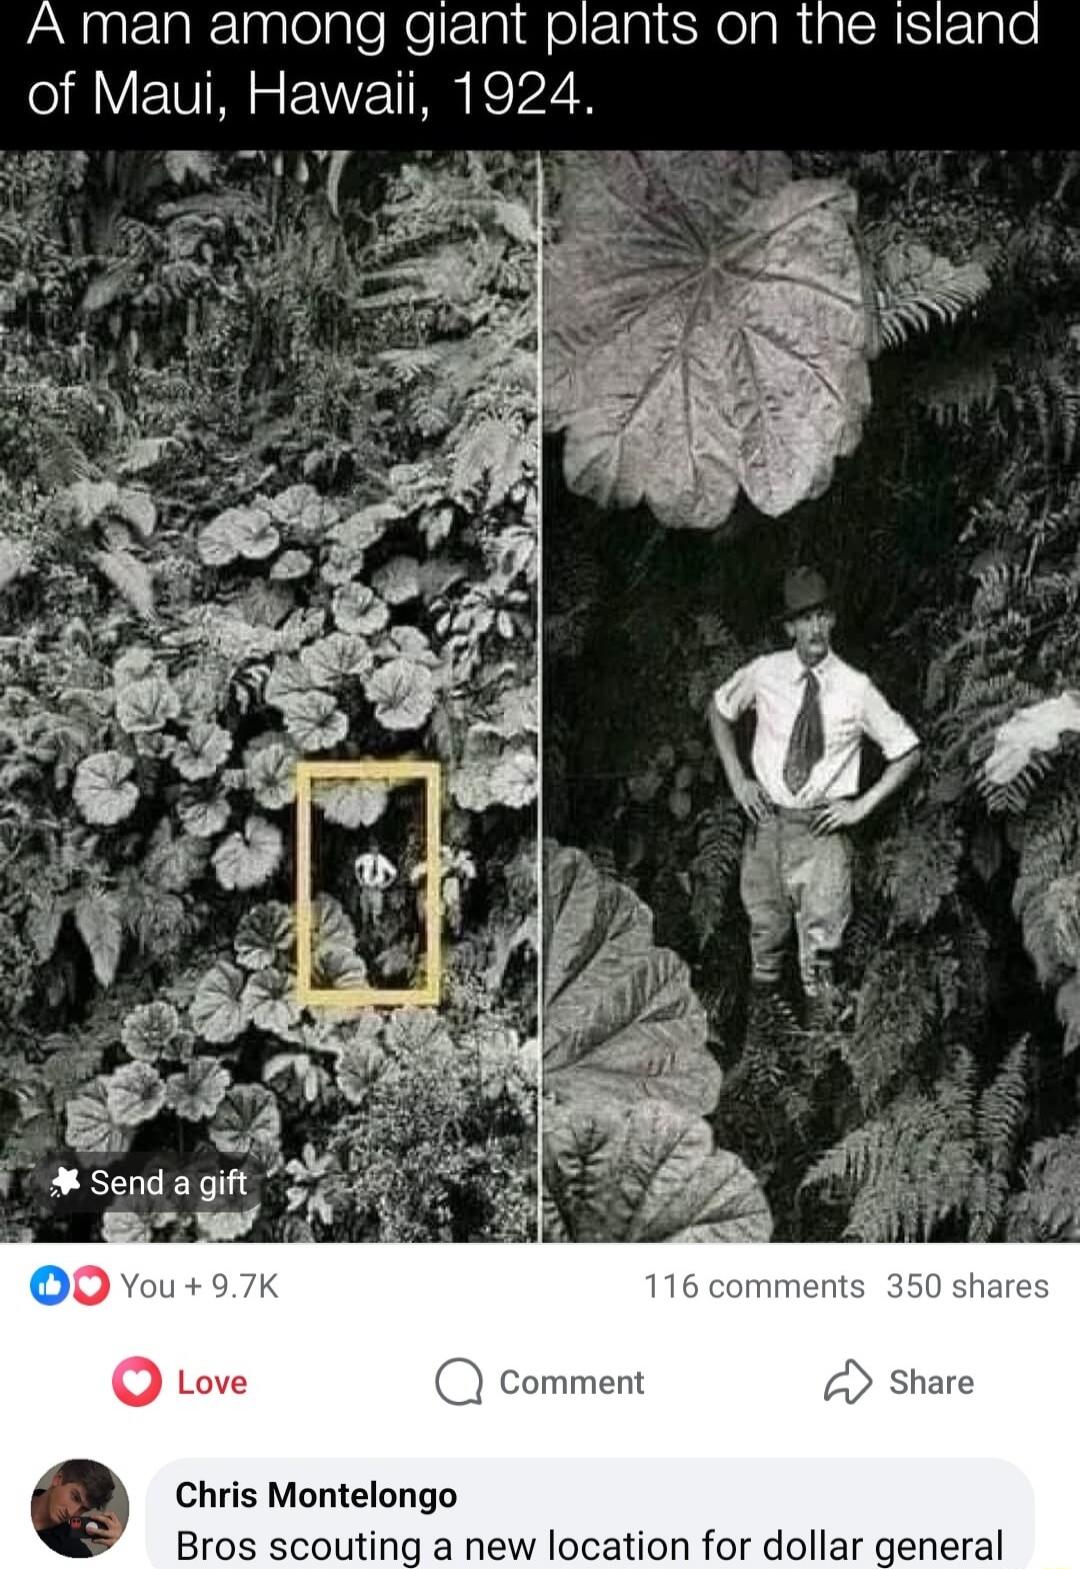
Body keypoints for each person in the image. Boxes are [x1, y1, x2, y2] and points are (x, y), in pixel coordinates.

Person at [709, 567, 921, 1025]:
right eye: (804, 619)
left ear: (833, 620)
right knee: (765, 935)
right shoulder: (765, 673)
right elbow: (719, 709)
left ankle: (818, 1065)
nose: (815, 628)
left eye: (822, 615)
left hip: (822, 833)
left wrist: (861, 805)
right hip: (767, 824)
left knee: (821, 953)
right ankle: (761, 1060)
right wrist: (737, 779)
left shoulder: (854, 687)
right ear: (790, 627)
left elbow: (907, 750)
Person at [31, 1460, 125, 1557]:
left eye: (84, 1509)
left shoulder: (75, 1553)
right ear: (58, 1479)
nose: (72, 1513)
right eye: (75, 1497)